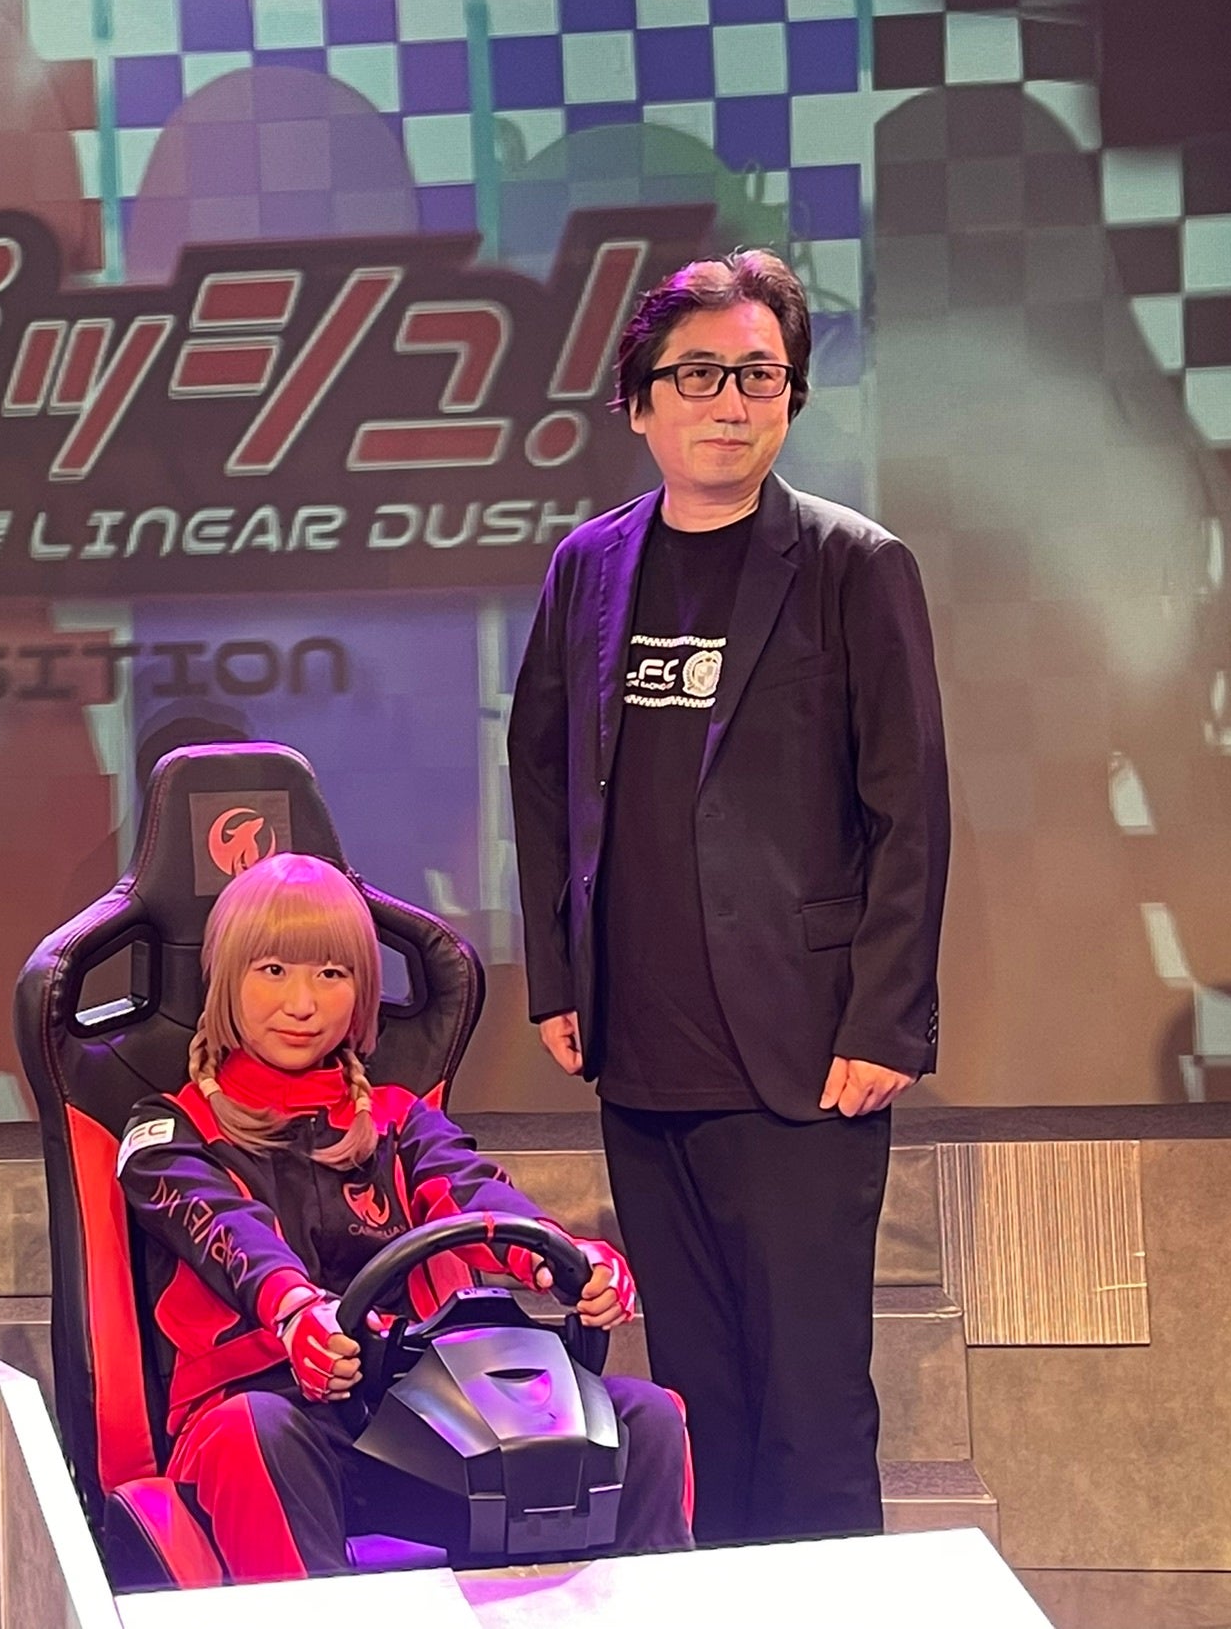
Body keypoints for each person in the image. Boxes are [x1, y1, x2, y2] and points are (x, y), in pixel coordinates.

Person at [508, 250, 949, 1546]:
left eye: (760, 375)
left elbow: (910, 809)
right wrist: (559, 974)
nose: (731, 401)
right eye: (698, 374)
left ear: (791, 400)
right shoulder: (589, 566)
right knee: (696, 1403)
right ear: (640, 400)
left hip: (806, 1057)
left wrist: (888, 1018)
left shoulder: (855, 566)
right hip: (643, 1059)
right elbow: (540, 771)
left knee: (812, 1406)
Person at [117, 852, 692, 1582]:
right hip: (271, 1406)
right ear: (226, 980)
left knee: (644, 1418)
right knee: (253, 1432)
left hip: (420, 1416)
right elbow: (231, 1235)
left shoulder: (398, 1119)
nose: (303, 1003)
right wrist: (296, 1314)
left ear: (362, 991)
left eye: (332, 974)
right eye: (273, 971)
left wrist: (567, 1261)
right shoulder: (167, 1135)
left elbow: (475, 1194)